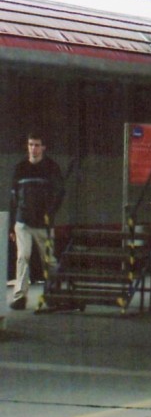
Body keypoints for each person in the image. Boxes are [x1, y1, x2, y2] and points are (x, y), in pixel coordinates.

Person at [8, 132, 65, 310]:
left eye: (37, 145)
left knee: (49, 260)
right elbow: (13, 198)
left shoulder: (51, 168)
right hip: (23, 222)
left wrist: (51, 212)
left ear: (43, 147)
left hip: (44, 224)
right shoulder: (20, 168)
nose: (33, 148)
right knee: (22, 257)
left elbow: (60, 193)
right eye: (31, 144)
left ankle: (53, 294)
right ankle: (20, 296)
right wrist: (11, 225)